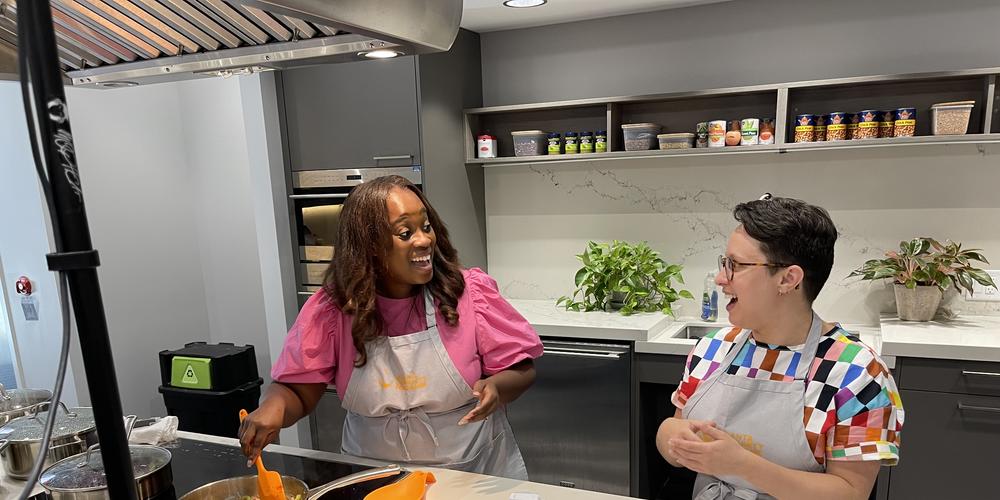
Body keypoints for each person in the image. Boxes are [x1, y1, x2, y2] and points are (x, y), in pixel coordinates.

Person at [240, 175, 542, 479]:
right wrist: (273, 407)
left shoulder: (466, 294)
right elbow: (298, 390)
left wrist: (497, 387)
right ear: (370, 247)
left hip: (471, 473)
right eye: (405, 232)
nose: (424, 240)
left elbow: (522, 368)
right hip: (374, 476)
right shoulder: (335, 310)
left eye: (426, 227)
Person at [656, 195, 903, 500]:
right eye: (724, 263)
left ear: (788, 279)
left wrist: (743, 465)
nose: (721, 278)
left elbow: (850, 492)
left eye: (735, 265)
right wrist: (671, 437)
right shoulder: (712, 349)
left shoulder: (856, 373)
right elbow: (674, 427)